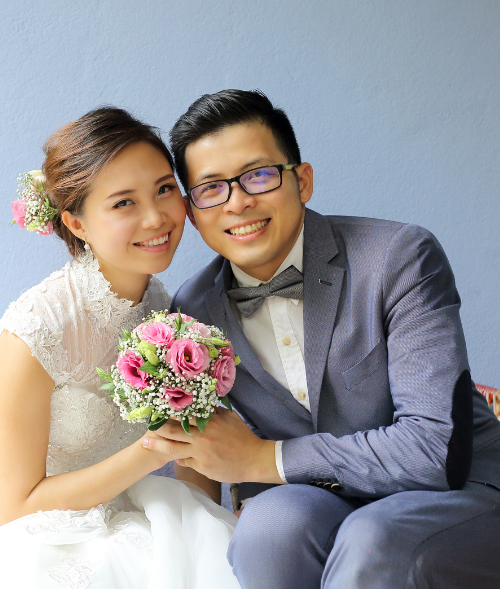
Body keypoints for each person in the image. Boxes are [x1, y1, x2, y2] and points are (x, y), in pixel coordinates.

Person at [142, 89, 500, 588]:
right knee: (268, 531)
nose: (238, 201)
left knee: (373, 537)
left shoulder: (398, 256)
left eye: (259, 175)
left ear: (302, 180)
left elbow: (434, 448)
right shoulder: (194, 311)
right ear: (192, 210)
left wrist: (262, 458)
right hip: (319, 494)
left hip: (460, 488)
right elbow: (198, 440)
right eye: (211, 188)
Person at [0, 107, 240, 589]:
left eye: (164, 189)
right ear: (77, 223)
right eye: (123, 203)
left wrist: (212, 523)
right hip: (46, 538)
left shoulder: (166, 308)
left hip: (139, 512)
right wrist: (152, 453)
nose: (156, 217)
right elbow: (14, 505)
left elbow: (193, 455)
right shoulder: (37, 328)